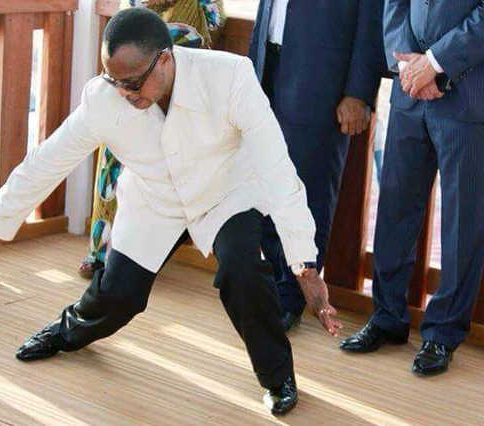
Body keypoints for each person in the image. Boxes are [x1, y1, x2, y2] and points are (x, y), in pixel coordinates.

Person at [0, 8, 342, 416]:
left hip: (225, 193)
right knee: (119, 296)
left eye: (133, 82)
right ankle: (67, 332)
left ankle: (278, 379)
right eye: (114, 80)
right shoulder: (103, 98)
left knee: (243, 273)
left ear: (165, 59)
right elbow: (49, 160)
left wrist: (304, 266)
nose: (124, 92)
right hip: (155, 201)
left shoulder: (230, 77)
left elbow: (278, 170)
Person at [340, 0, 484, 376]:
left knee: (462, 223)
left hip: (470, 96)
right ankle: (386, 317)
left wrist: (435, 63)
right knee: (394, 209)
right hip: (409, 92)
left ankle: (443, 334)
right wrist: (407, 64)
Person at [248, 0, 386, 331]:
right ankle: (275, 281)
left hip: (321, 79)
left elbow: (372, 24)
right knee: (263, 184)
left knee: (311, 190)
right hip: (267, 65)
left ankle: (291, 296)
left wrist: (359, 93)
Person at [78, 0, 225, 279]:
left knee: (157, 179)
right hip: (131, 84)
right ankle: (100, 252)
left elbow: (213, 22)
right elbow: (122, 32)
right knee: (112, 166)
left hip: (174, 89)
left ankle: (139, 257)